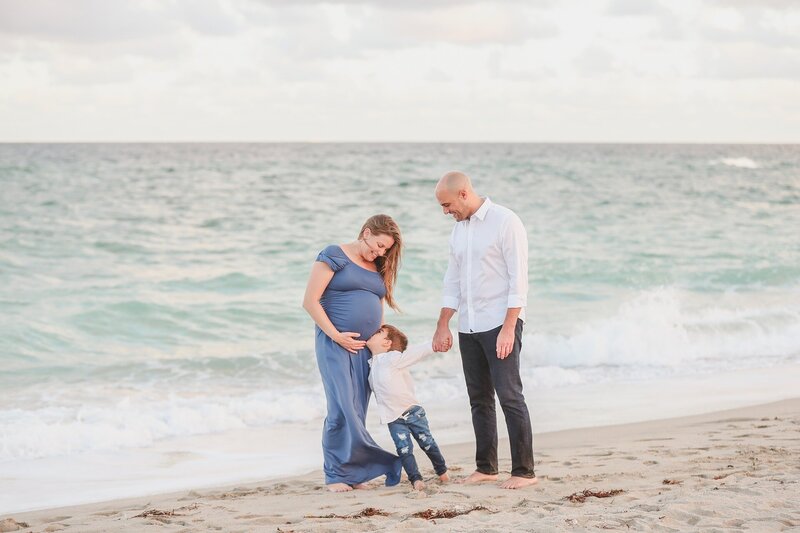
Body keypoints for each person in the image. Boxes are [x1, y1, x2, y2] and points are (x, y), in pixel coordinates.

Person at [432, 171, 538, 490]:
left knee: (509, 395)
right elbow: (452, 281)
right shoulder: (457, 232)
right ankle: (486, 468)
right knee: (479, 398)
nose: (445, 211)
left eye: (447, 204)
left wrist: (509, 328)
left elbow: (519, 280)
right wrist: (443, 323)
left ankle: (524, 472)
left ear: (464, 193)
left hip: (500, 322)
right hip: (469, 324)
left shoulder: (506, 221)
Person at [302, 214, 403, 492]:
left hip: (365, 349)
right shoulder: (334, 255)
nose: (380, 252)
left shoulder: (377, 266)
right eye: (378, 245)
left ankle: (354, 473)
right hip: (334, 344)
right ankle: (335, 474)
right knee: (340, 408)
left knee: (357, 409)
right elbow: (310, 301)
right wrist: (336, 335)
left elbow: (378, 305)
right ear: (366, 232)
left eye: (385, 250)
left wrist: (379, 341)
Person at [365, 324, 449, 490]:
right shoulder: (372, 363)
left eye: (379, 332)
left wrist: (433, 345)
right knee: (403, 449)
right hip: (394, 418)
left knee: (427, 443)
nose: (373, 332)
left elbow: (415, 353)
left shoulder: (393, 358)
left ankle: (442, 471)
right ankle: (415, 479)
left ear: (387, 343)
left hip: (412, 412)